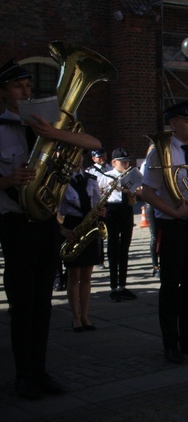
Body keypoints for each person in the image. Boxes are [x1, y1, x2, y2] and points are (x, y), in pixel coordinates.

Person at [0, 58, 102, 399]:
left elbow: (94, 144)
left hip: (46, 224)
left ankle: (40, 371)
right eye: (19, 87)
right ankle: (23, 375)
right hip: (16, 224)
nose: (26, 91)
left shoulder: (46, 123)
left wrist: (55, 134)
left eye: (29, 86)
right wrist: (7, 180)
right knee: (22, 305)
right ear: (3, 94)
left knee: (43, 303)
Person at [141, 99, 188, 364]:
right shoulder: (159, 152)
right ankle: (170, 344)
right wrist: (174, 211)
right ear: (173, 124)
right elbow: (147, 192)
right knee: (171, 286)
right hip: (173, 224)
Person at [59, 154, 102, 333]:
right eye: (73, 156)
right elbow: (55, 210)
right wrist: (62, 230)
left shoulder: (91, 179)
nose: (77, 160)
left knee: (86, 276)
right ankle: (75, 316)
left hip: (88, 226)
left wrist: (101, 211)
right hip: (71, 227)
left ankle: (85, 315)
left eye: (79, 157)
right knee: (73, 275)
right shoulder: (61, 181)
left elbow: (97, 203)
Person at [97, 147, 143, 302]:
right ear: (114, 162)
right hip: (112, 209)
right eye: (122, 162)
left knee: (125, 247)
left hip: (126, 209)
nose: (126, 164)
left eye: (127, 161)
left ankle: (122, 285)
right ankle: (113, 286)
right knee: (113, 248)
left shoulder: (131, 174)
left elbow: (139, 190)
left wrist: (131, 189)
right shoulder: (106, 175)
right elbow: (98, 193)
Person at [86, 147, 112, 268]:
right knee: (99, 231)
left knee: (109, 231)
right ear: (93, 158)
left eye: (104, 156)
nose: (102, 158)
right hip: (97, 203)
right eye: (99, 157)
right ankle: (99, 259)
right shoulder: (90, 171)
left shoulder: (110, 169)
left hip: (109, 202)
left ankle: (110, 258)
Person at [140, 143, 160, 277]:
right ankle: (155, 266)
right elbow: (144, 186)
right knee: (154, 236)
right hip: (152, 203)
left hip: (165, 202)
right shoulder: (145, 164)